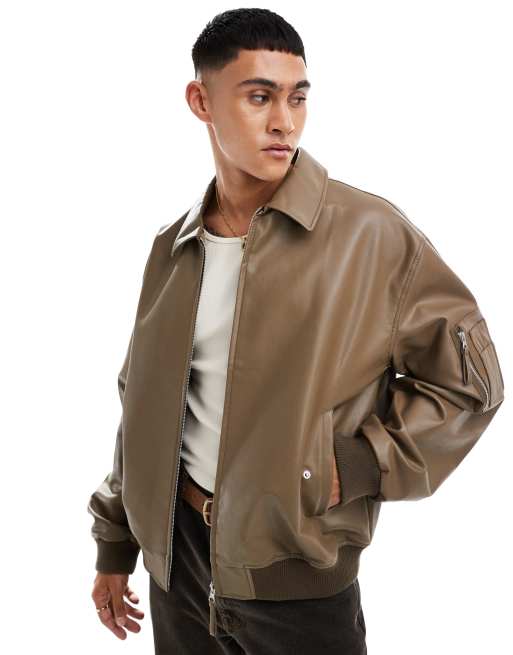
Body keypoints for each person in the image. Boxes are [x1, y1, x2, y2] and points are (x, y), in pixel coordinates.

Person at [87, 8, 505, 654]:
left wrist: (357, 463)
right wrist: (115, 541)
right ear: (201, 101)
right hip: (177, 568)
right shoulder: (173, 249)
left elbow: (470, 384)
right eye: (259, 97)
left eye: (297, 97)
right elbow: (141, 404)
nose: (284, 121)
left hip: (299, 586)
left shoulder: (369, 235)